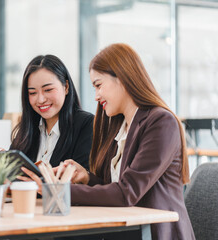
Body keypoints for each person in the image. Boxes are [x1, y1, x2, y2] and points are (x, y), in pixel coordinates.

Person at [21, 44, 195, 240]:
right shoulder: (118, 126)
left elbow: (127, 193)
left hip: (156, 234)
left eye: (98, 85)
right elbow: (115, 186)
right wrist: (87, 178)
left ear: (122, 79)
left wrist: (56, 191)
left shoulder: (161, 123)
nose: (96, 96)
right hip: (127, 233)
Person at [10, 54, 93, 169]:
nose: (40, 100)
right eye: (32, 93)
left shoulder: (86, 124)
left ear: (66, 87)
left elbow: (82, 180)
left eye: (48, 90)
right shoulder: (27, 131)